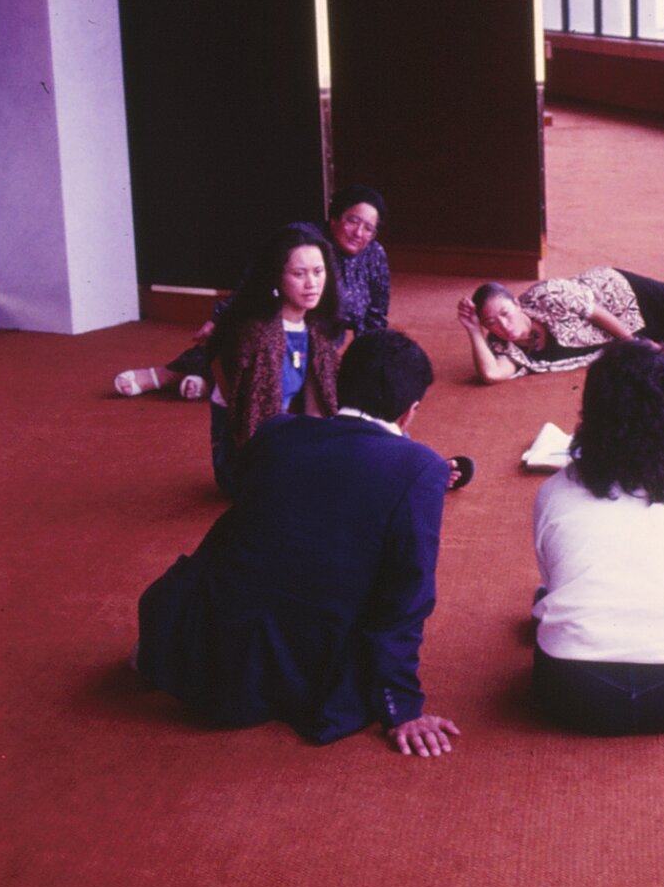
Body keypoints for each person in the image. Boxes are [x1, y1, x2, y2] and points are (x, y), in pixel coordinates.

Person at [135, 329, 459, 757]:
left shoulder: (277, 431)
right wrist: (402, 707)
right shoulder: (420, 468)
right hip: (305, 676)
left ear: (339, 384)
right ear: (410, 412)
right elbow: (407, 595)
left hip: (203, 651)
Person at [530, 340, 664, 735]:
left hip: (572, 693)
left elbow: (551, 576)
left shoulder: (554, 491)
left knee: (553, 591)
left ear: (591, 412)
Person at [113, 185, 391, 399]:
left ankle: (210, 382)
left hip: (324, 340)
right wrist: (220, 319)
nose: (359, 233)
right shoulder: (302, 238)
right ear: (334, 217)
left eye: (369, 228)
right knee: (249, 344)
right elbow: (254, 281)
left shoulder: (375, 255)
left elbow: (375, 317)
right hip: (273, 325)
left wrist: (369, 364)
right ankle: (169, 374)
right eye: (353, 221)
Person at [206, 222, 342, 497]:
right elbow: (250, 428)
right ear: (277, 276)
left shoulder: (316, 328)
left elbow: (317, 411)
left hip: (289, 438)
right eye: (299, 274)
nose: (312, 283)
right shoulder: (256, 334)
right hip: (247, 457)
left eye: (318, 272)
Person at [457, 267, 664, 383]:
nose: (503, 325)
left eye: (505, 313)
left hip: (620, 295)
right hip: (620, 334)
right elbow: (491, 374)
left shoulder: (547, 294)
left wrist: (635, 345)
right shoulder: (505, 349)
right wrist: (473, 330)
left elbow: (596, 312)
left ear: (516, 303)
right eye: (491, 323)